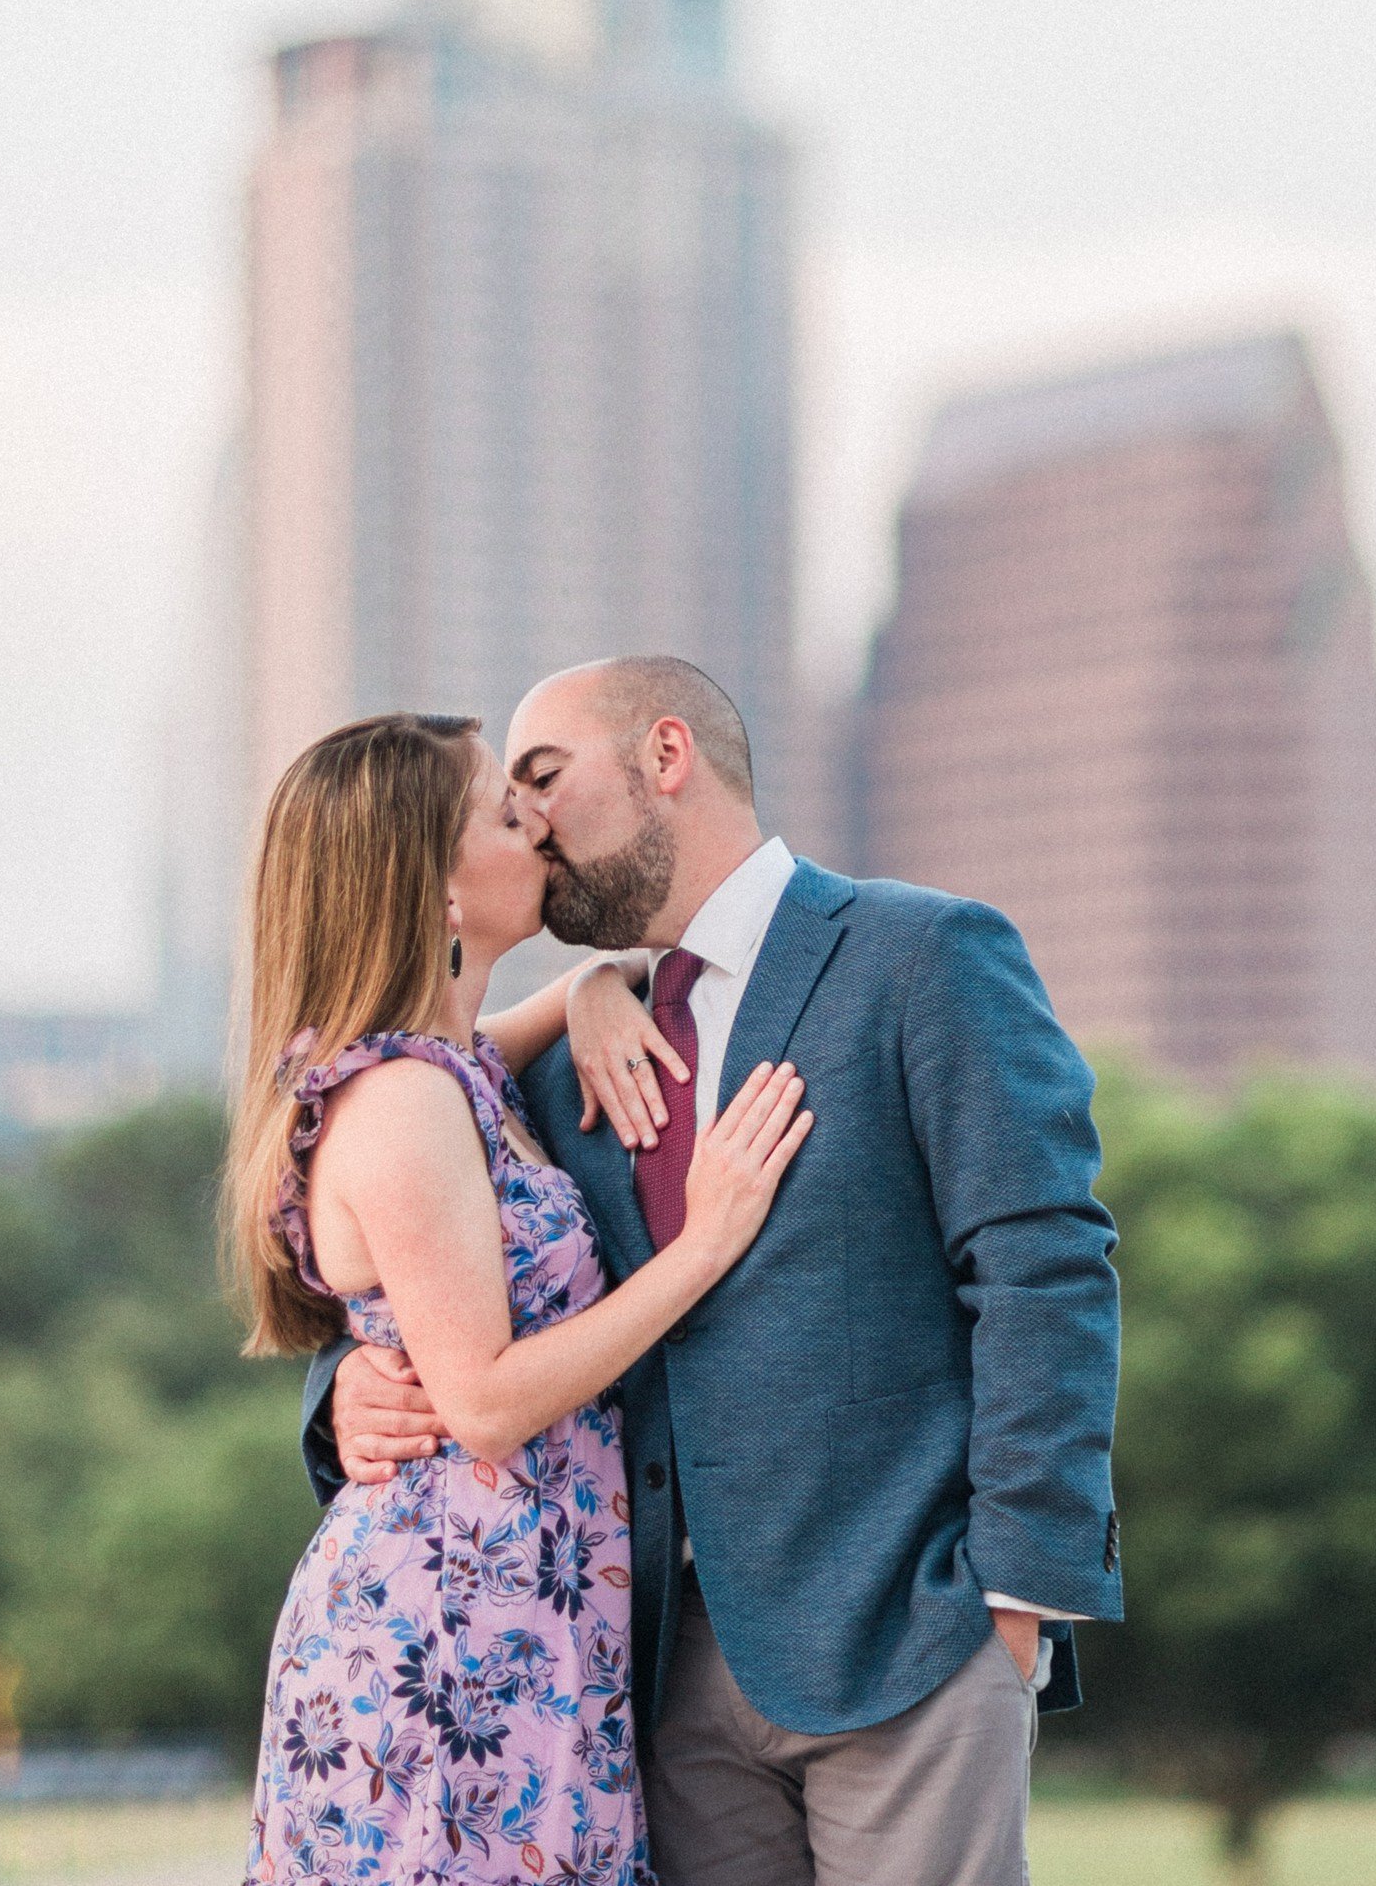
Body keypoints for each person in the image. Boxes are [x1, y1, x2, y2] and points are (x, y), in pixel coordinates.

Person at [312, 656, 1123, 1886]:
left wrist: (1016, 1590)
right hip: (639, 1681)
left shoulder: (920, 955)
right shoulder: (538, 1067)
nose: (527, 820)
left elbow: (1042, 1265)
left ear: (666, 758)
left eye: (543, 778)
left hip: (907, 1635)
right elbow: (436, 1268)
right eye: (507, 801)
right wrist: (345, 1390)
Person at [230, 709, 810, 1884]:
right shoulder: (399, 1102)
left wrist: (596, 982)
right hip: (451, 1641)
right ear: (435, 890)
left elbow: (528, 1020)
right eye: (505, 811)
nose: (538, 819)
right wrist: (703, 1246)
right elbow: (486, 1404)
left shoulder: (450, 1068)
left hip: (528, 1623)